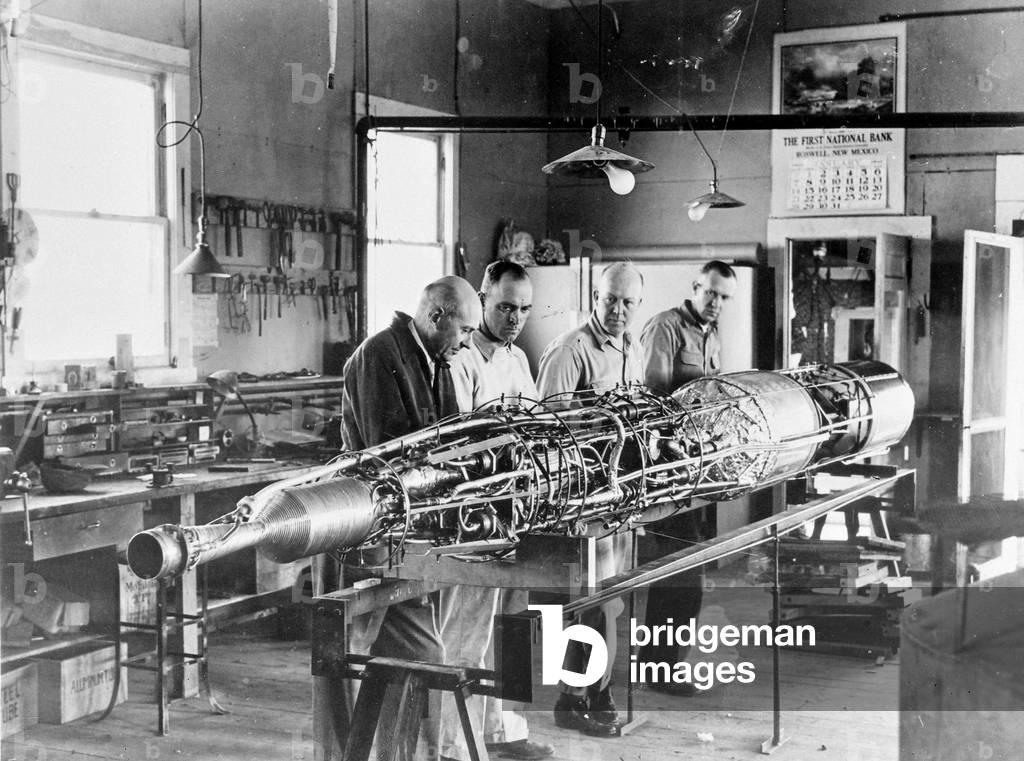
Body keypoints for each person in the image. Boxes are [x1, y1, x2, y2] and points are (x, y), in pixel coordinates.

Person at [340, 275, 481, 759]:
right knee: (379, 657)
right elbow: (390, 455)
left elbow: (450, 439)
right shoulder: (381, 355)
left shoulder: (434, 359)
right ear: (437, 316)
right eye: (465, 330)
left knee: (411, 660)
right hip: (372, 530)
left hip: (411, 534)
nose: (467, 343)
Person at [438, 261, 553, 761]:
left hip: (519, 509)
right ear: (483, 298)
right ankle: (454, 746)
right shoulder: (462, 360)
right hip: (478, 515)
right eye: (506, 307)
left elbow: (537, 425)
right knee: (468, 628)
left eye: (524, 309)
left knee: (513, 623)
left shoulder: (518, 358)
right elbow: (459, 444)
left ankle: (505, 731)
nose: (515, 318)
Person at [536, 261, 644, 738]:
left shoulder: (631, 348)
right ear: (595, 298)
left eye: (627, 302)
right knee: (586, 604)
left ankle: (596, 692)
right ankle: (574, 698)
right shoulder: (570, 351)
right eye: (610, 300)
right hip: (582, 502)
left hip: (619, 498)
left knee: (610, 602)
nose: (618, 310)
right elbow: (545, 434)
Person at [637, 259, 737, 696]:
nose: (715, 302)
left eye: (723, 297)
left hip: (696, 470)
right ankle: (659, 670)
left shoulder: (711, 334)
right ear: (695, 287)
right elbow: (653, 403)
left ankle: (662, 667)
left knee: (684, 573)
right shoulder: (667, 327)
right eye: (710, 292)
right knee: (680, 575)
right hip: (667, 471)